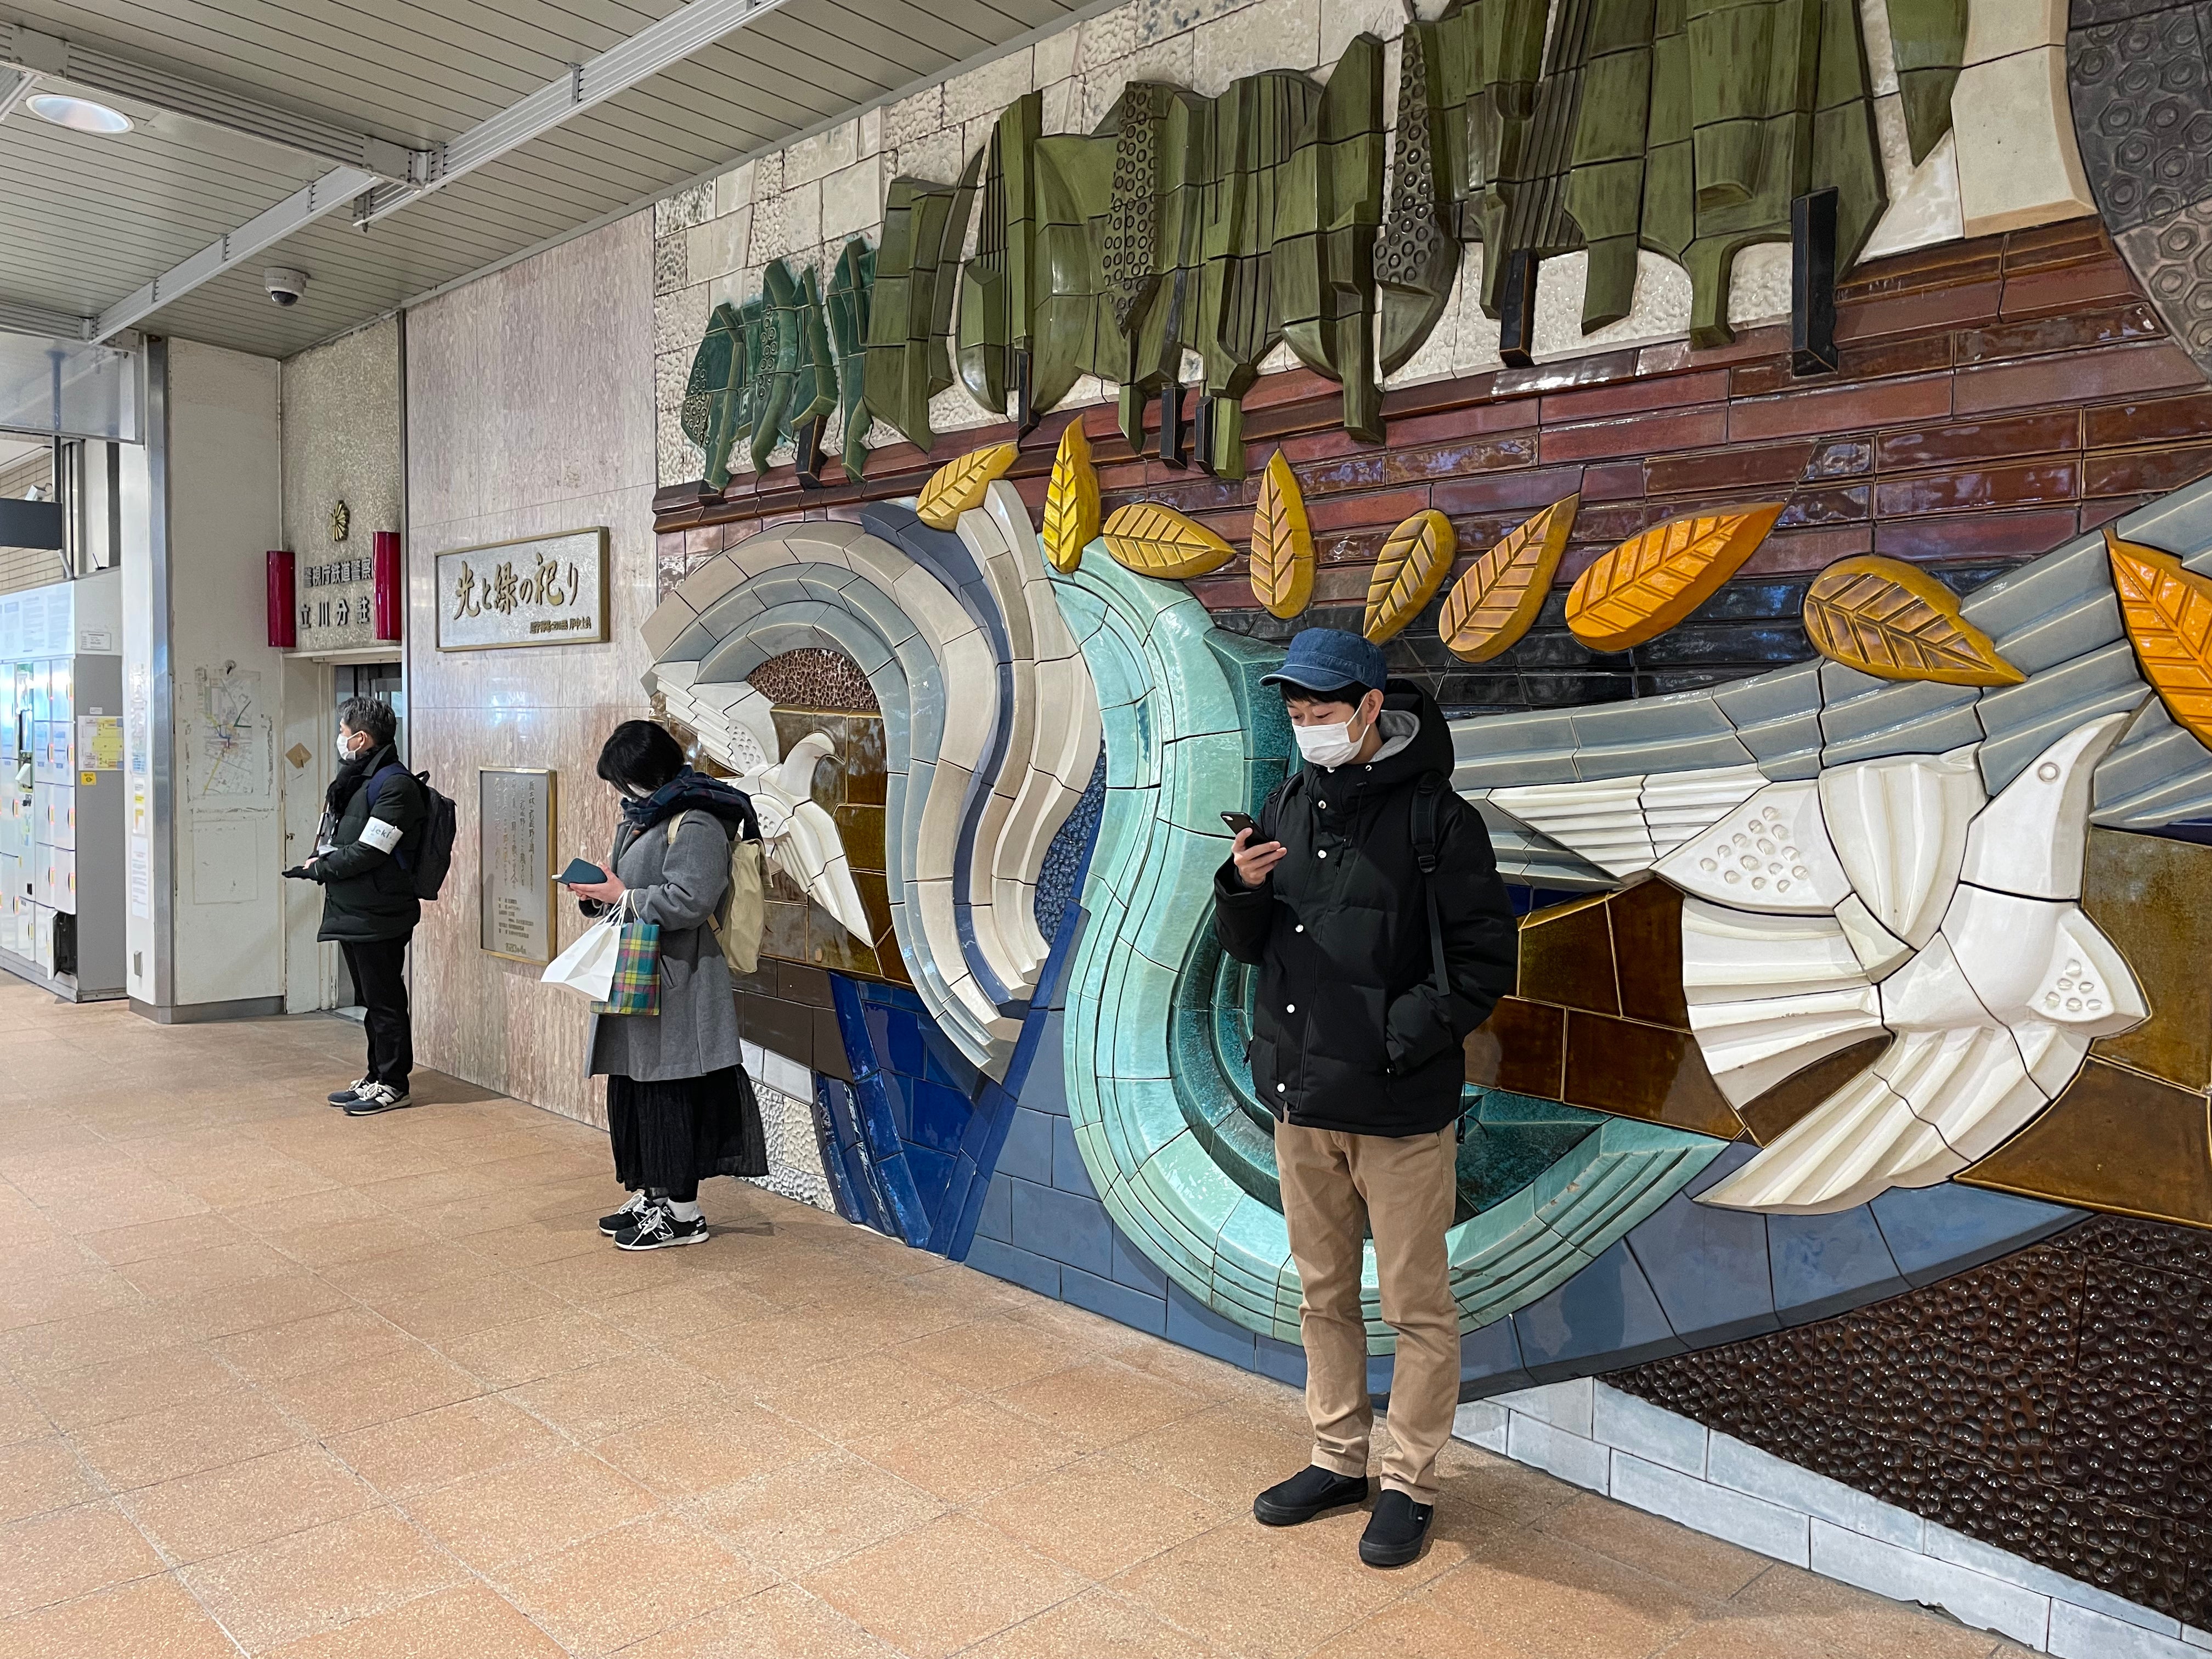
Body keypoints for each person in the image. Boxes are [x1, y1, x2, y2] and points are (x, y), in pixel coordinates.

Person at [1214, 627, 1517, 1568]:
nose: (1309, 728)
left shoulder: (1440, 819)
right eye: (1297, 714)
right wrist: (1238, 886)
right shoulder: (1286, 801)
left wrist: (1396, 1042)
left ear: (1371, 707)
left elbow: (1482, 963)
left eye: (1323, 712)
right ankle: (1338, 1456)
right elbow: (1249, 945)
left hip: (1395, 1107)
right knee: (1322, 1292)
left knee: (1417, 1306)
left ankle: (1409, 1479)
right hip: (1302, 1096)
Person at [567, 720, 768, 1250]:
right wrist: (599, 895)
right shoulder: (642, 816)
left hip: (680, 977)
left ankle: (684, 1215)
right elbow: (627, 883)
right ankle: (653, 1195)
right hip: (638, 966)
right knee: (636, 1084)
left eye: (622, 781)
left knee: (670, 1088)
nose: (618, 793)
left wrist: (624, 897)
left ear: (645, 774)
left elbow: (690, 900)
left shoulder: (697, 820)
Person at [293, 696, 424, 1118]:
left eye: (344, 733)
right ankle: (375, 1074)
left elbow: (371, 850)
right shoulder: (358, 781)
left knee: (385, 1000)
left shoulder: (395, 785)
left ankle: (393, 1082)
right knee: (371, 998)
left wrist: (322, 868)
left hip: (379, 912)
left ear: (362, 738)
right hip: (355, 908)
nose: (341, 740)